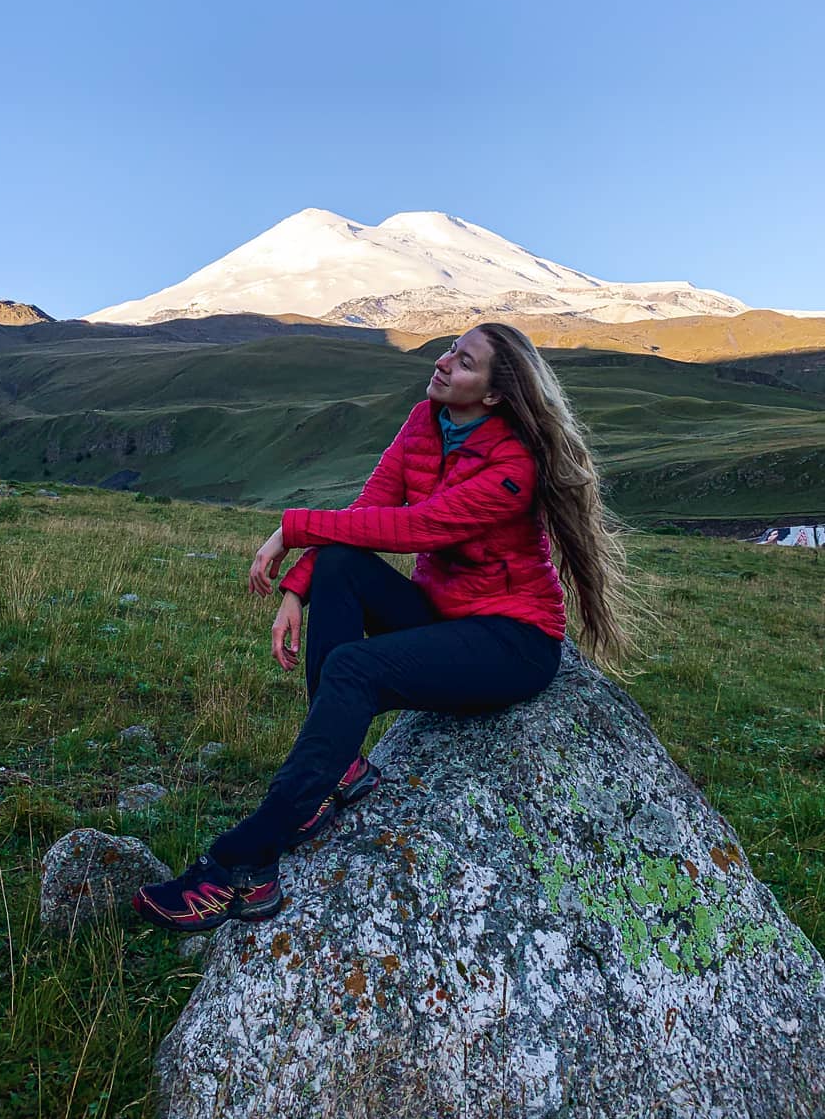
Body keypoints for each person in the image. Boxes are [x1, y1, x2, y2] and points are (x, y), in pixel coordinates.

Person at [132, 323, 631, 933]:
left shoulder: (512, 466)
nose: (444, 363)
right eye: (451, 349)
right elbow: (369, 510)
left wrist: (292, 528)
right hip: (442, 611)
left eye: (465, 362)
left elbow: (418, 528)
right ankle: (336, 769)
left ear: (496, 394)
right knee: (341, 561)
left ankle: (245, 863)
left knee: (353, 668)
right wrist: (299, 586)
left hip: (511, 641)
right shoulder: (427, 419)